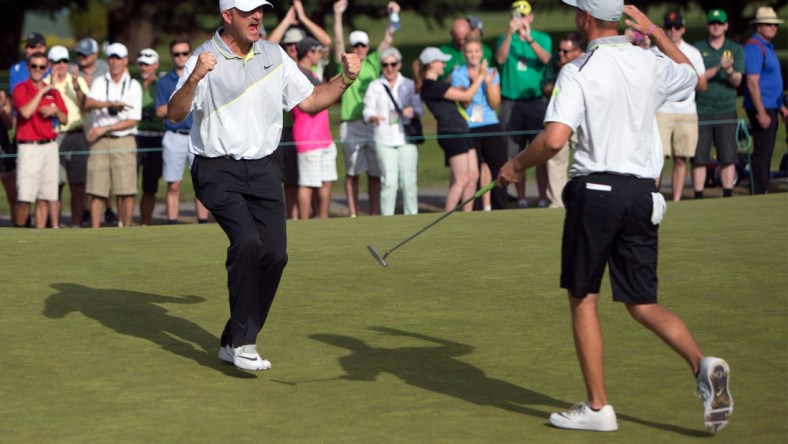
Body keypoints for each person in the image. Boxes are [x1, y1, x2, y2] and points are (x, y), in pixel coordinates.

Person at [497, 1, 733, 433]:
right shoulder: (649, 61)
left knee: (584, 296)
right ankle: (702, 363)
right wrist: (658, 33)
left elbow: (554, 140)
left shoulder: (578, 70)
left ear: (586, 18)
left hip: (597, 193)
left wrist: (515, 166)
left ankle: (598, 408)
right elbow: (692, 79)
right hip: (642, 195)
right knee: (642, 303)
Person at [167, 0, 361, 371]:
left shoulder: (274, 55)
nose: (257, 16)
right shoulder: (203, 58)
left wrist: (346, 79)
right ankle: (243, 343)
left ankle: (231, 338)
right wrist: (194, 78)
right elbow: (175, 114)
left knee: (275, 255)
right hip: (216, 169)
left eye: (261, 9)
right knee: (246, 243)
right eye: (248, 10)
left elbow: (311, 101)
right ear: (228, 16)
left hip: (265, 169)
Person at [333, 0, 398, 217]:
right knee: (352, 172)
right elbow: (338, 40)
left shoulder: (373, 61)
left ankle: (374, 212)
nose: (359, 49)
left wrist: (392, 16)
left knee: (374, 172)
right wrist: (338, 15)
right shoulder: (345, 61)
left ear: (367, 47)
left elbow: (389, 38)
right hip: (350, 123)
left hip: (373, 123)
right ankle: (352, 213)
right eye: (356, 46)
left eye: (362, 45)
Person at [415, 47, 488, 212]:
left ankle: (466, 216)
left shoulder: (437, 84)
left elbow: (459, 94)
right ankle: (448, 217)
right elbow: (467, 95)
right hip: (451, 133)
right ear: (431, 64)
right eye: (441, 61)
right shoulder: (430, 86)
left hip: (462, 130)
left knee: (473, 176)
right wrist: (482, 75)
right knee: (461, 179)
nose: (443, 64)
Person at [496, 0, 552, 209]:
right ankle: (520, 198)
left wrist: (529, 39)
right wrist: (510, 35)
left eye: (524, 16)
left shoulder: (541, 38)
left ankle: (542, 196)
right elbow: (500, 59)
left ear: (531, 17)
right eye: (517, 16)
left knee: (539, 151)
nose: (521, 20)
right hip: (511, 102)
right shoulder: (505, 38)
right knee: (516, 152)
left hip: (536, 101)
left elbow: (546, 59)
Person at [83, 43, 142, 229]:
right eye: (111, 58)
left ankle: (125, 231)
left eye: (119, 58)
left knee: (126, 191)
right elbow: (88, 103)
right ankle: (95, 232)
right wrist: (110, 103)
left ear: (125, 60)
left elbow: (132, 120)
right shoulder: (100, 81)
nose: (115, 62)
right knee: (96, 190)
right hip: (100, 143)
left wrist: (103, 128)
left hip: (123, 140)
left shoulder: (133, 85)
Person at [155, 39, 210, 224]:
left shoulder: (202, 76)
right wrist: (180, 102)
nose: (181, 57)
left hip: (197, 135)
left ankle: (202, 222)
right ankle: (172, 223)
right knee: (174, 183)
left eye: (185, 53)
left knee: (201, 183)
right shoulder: (164, 81)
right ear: (172, 56)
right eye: (177, 54)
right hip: (175, 136)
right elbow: (161, 111)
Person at [691, 9, 744, 199]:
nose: (716, 26)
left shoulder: (735, 48)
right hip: (701, 109)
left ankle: (727, 195)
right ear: (707, 25)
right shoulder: (696, 49)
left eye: (720, 23)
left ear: (726, 25)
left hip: (726, 108)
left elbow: (738, 81)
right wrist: (719, 67)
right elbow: (698, 79)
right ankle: (698, 197)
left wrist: (729, 70)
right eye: (713, 23)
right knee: (699, 157)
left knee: (728, 156)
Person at [655, 11, 707, 202]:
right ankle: (653, 196)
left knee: (680, 158)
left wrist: (686, 80)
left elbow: (702, 84)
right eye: (669, 27)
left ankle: (676, 200)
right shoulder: (655, 51)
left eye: (677, 27)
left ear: (683, 29)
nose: (673, 31)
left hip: (686, 112)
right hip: (662, 111)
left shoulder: (692, 52)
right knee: (658, 158)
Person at [363, 47, 422, 216]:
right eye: (385, 64)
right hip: (384, 138)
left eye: (393, 64)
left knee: (408, 181)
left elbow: (419, 109)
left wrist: (412, 111)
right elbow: (367, 111)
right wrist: (374, 117)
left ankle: (412, 217)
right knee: (389, 181)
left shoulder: (409, 84)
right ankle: (387, 218)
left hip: (406, 138)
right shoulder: (375, 86)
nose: (389, 68)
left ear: (399, 65)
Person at [12, 51, 68, 229]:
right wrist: (42, 91)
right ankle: (20, 235)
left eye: (42, 67)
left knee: (46, 197)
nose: (37, 70)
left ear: (47, 68)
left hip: (49, 147)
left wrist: (55, 112)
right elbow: (26, 112)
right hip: (29, 148)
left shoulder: (54, 92)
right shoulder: (21, 89)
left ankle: (40, 238)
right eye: (34, 66)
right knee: (24, 198)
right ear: (28, 67)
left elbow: (65, 118)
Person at [451, 36, 508, 211]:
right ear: (464, 54)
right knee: (473, 171)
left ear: (481, 53)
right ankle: (474, 207)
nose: (473, 55)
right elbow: (465, 102)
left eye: (476, 51)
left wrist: (489, 83)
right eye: (469, 52)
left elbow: (494, 103)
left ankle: (498, 206)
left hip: (490, 123)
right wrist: (478, 78)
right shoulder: (458, 73)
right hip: (469, 126)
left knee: (498, 165)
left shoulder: (491, 72)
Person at [292, 37, 338, 219]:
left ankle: (323, 221)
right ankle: (305, 224)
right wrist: (335, 83)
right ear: (309, 52)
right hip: (307, 138)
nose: (320, 55)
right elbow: (314, 100)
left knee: (327, 181)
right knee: (307, 184)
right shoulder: (297, 73)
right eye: (317, 51)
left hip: (324, 137)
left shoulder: (312, 73)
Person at [45, 45, 90, 227]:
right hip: (56, 137)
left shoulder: (77, 80)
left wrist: (76, 86)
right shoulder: (46, 81)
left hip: (77, 135)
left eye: (64, 61)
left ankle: (76, 225)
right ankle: (54, 226)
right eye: (57, 62)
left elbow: (85, 105)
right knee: (56, 184)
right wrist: (52, 85)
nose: (62, 65)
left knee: (78, 185)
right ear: (50, 63)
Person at [743, 6, 787, 195]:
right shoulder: (754, 47)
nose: (773, 28)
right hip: (761, 108)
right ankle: (758, 191)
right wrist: (761, 111)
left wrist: (781, 106)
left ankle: (762, 188)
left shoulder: (767, 46)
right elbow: (752, 83)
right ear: (759, 26)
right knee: (762, 152)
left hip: (771, 107)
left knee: (766, 151)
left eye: (775, 25)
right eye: (769, 24)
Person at [74, 37, 115, 225]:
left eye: (85, 53)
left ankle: (108, 209)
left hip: (102, 127)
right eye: (79, 53)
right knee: (84, 174)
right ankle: (85, 212)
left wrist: (93, 87)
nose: (81, 57)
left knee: (104, 173)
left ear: (95, 55)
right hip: (81, 128)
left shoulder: (104, 69)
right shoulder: (72, 70)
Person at [540, 32, 584, 209]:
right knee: (555, 160)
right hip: (558, 118)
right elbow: (545, 87)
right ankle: (557, 202)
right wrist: (561, 83)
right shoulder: (554, 64)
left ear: (578, 51)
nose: (561, 54)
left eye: (566, 51)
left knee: (584, 159)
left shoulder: (587, 63)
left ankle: (584, 198)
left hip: (582, 119)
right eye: (559, 50)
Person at [135, 48, 164, 226]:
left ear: (156, 65)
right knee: (129, 184)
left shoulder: (162, 84)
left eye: (148, 64)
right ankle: (126, 223)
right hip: (136, 136)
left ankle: (145, 223)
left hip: (156, 137)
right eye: (142, 64)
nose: (144, 68)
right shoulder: (132, 84)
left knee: (149, 186)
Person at [439, 17, 493, 82]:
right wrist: (453, 76)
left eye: (465, 38)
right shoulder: (442, 53)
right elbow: (438, 85)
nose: (462, 42)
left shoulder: (485, 52)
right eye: (458, 39)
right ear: (452, 34)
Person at [0, 90, 16, 222]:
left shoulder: (2, 96)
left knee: (12, 195)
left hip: (3, 150)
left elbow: (9, 124)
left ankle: (18, 227)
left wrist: (3, 106)